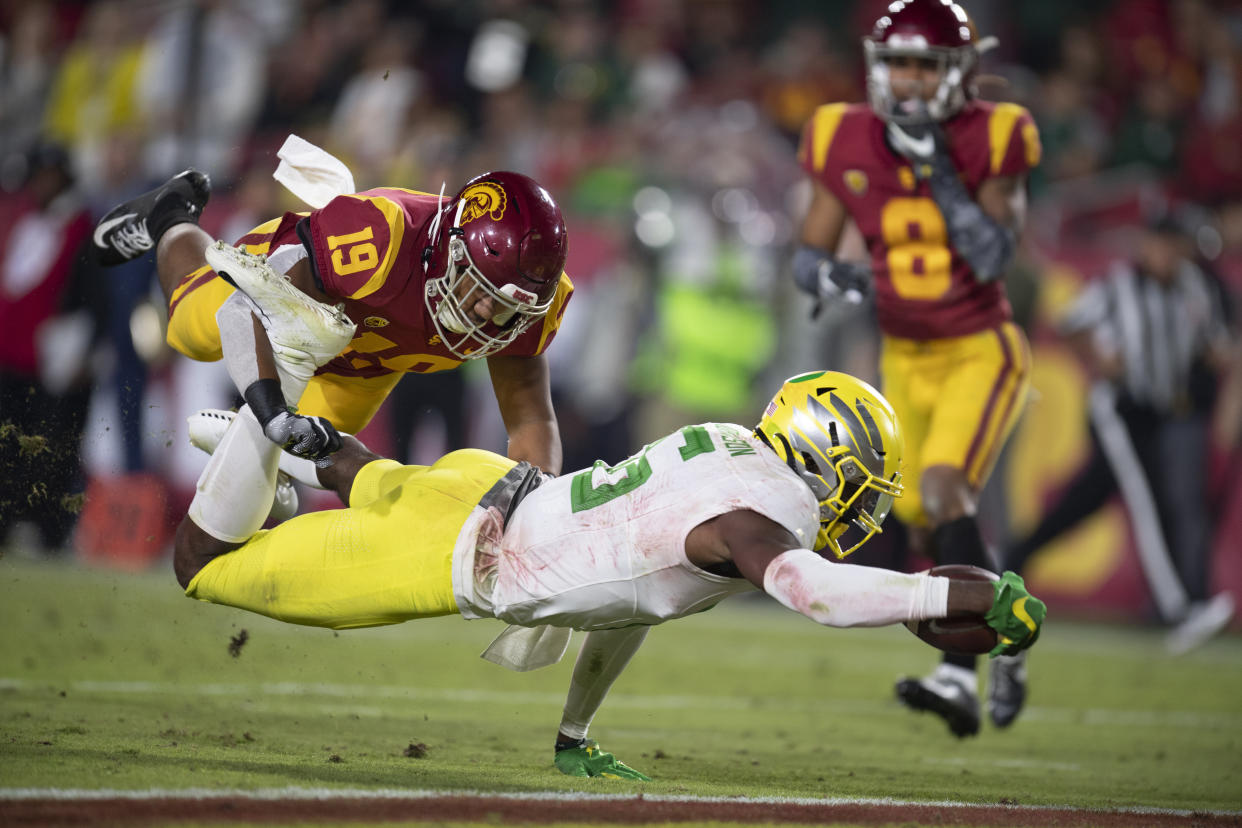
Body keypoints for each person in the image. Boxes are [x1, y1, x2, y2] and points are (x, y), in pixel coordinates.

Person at [791, 0, 1041, 737]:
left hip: (979, 347)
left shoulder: (997, 132)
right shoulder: (842, 133)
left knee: (941, 489)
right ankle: (1008, 638)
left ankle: (960, 674)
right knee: (915, 523)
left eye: (924, 65)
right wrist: (833, 279)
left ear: (957, 71)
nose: (907, 80)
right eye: (898, 63)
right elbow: (809, 253)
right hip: (903, 353)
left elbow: (996, 254)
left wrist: (935, 168)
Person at [91, 164, 573, 497]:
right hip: (284, 293)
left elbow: (531, 422)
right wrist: (271, 410)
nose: (490, 313)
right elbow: (249, 309)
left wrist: (538, 509)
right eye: (481, 288)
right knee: (193, 332)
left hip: (369, 358)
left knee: (320, 438)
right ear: (452, 251)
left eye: (509, 305)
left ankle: (254, 453)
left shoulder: (526, 302)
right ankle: (172, 216)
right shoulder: (382, 234)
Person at [1005, 214, 1237, 655]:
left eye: (1175, 247)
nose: (1168, 256)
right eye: (1162, 246)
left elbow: (1212, 342)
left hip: (1161, 411)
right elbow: (1070, 321)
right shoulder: (1117, 284)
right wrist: (1097, 358)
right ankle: (1180, 605)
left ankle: (1015, 555)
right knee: (1147, 497)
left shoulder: (1193, 287)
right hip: (1118, 408)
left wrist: (1215, 356)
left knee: (1088, 499)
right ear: (1147, 245)